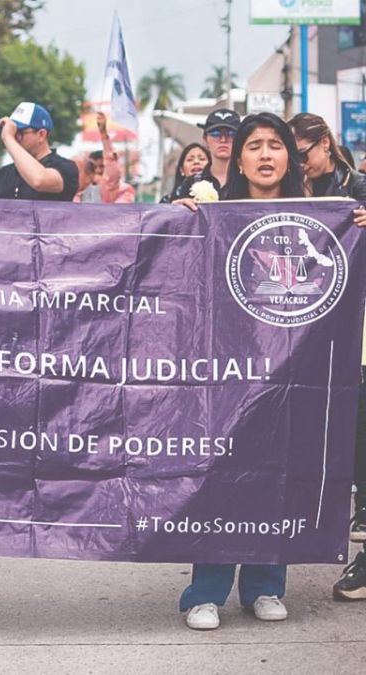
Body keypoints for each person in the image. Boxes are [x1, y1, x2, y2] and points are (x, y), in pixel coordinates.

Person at [172, 112, 328, 630]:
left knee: (277, 470)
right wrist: (177, 217)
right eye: (254, 145)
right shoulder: (213, 212)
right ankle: (206, 592)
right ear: (237, 158)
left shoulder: (323, 219)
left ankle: (265, 585)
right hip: (227, 365)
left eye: (275, 145)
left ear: (291, 156)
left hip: (292, 366)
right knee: (223, 472)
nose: (265, 154)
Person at [287, 112, 366, 600]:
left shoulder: (357, 189)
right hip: (304, 341)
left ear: (324, 145)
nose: (299, 165)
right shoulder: (291, 193)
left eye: (302, 155)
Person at [0, 102, 79, 202]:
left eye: (19, 132)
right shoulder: (2, 175)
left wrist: (8, 138)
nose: (13, 136)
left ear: (41, 135)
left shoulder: (66, 167)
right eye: (11, 131)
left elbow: (39, 180)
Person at [74, 113, 134, 204]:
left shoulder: (122, 190)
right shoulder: (76, 192)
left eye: (102, 166)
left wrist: (103, 134)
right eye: (92, 168)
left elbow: (111, 173)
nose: (97, 171)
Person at [197, 108, 240, 189]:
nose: (223, 140)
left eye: (231, 134)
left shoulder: (250, 182)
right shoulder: (191, 183)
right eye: (215, 134)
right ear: (205, 139)